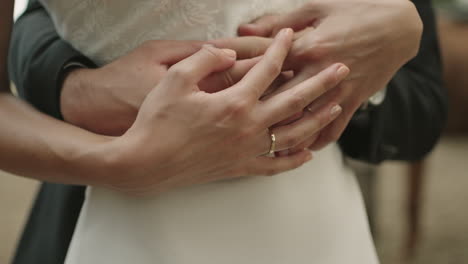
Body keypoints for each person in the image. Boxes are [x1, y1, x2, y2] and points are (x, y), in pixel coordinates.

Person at [9, 0, 447, 263]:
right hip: (117, 210)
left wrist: (388, 41)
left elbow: (425, 102)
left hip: (312, 219)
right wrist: (75, 89)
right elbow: (37, 19)